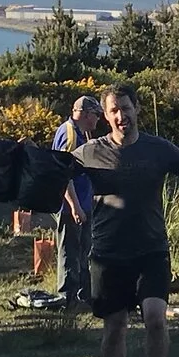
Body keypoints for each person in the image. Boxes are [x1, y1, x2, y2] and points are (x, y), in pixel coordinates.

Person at [67, 85, 179, 357]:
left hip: (151, 249)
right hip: (108, 253)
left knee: (156, 320)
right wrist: (71, 202)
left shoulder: (158, 149)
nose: (121, 116)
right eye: (114, 111)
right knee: (115, 327)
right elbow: (57, 171)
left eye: (126, 108)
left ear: (137, 108)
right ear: (106, 115)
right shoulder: (90, 151)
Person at [49, 93, 105, 304]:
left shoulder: (82, 133)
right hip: (70, 205)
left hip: (84, 200)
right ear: (86, 114)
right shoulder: (69, 134)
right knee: (69, 250)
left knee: (84, 250)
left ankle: (83, 293)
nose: (98, 119)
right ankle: (67, 295)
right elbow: (63, 174)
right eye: (96, 115)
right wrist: (74, 206)